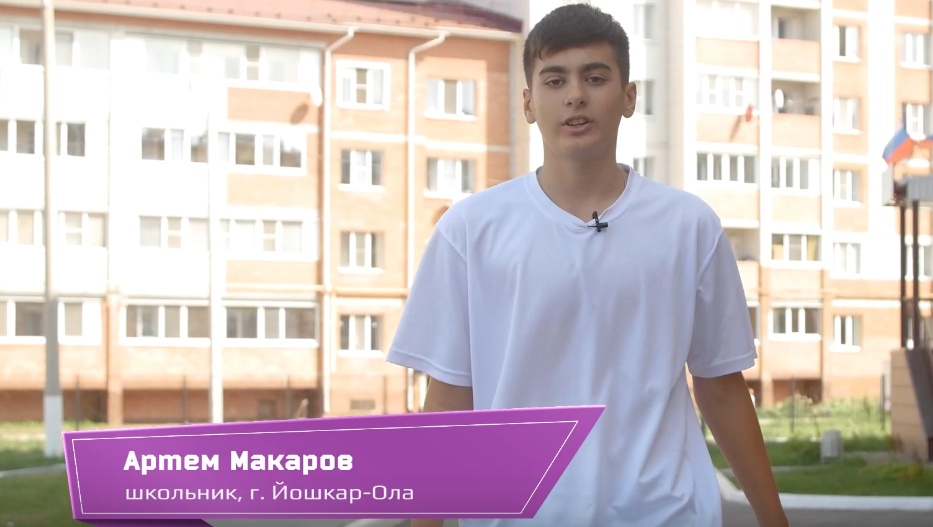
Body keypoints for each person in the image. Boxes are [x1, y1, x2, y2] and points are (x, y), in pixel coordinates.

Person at [386, 4, 787, 527]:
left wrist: (774, 519)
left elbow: (721, 386)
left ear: (629, 96)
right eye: (555, 80)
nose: (575, 95)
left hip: (664, 514)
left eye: (595, 78)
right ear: (528, 103)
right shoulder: (470, 230)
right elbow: (448, 398)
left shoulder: (689, 227)